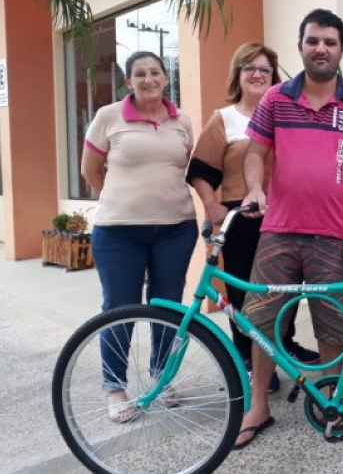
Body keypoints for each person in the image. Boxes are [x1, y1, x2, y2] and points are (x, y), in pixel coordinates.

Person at [236, 9, 343, 449]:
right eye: (313, 40)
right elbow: (255, 153)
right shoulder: (277, 98)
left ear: (339, 49)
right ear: (301, 45)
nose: (321, 48)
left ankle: (330, 402)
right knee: (261, 323)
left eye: (330, 42)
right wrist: (254, 191)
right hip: (278, 230)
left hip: (335, 237)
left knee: (335, 326)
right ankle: (258, 405)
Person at [187, 43, 319, 396]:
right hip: (241, 218)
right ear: (238, 76)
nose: (257, 74)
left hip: (285, 216)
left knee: (284, 289)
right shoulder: (224, 119)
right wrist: (212, 206)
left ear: (274, 76)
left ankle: (284, 346)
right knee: (245, 292)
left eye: (264, 68)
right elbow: (200, 169)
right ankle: (249, 359)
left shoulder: (286, 113)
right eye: (249, 68)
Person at [81, 51, 198, 423]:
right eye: (139, 74)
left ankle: (162, 380)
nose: (148, 79)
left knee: (167, 308)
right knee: (120, 308)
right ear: (128, 82)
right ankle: (115, 388)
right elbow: (90, 170)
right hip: (118, 233)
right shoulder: (109, 117)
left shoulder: (183, 121)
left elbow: (183, 168)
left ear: (166, 78)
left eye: (155, 72)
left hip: (176, 228)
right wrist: (121, 202)